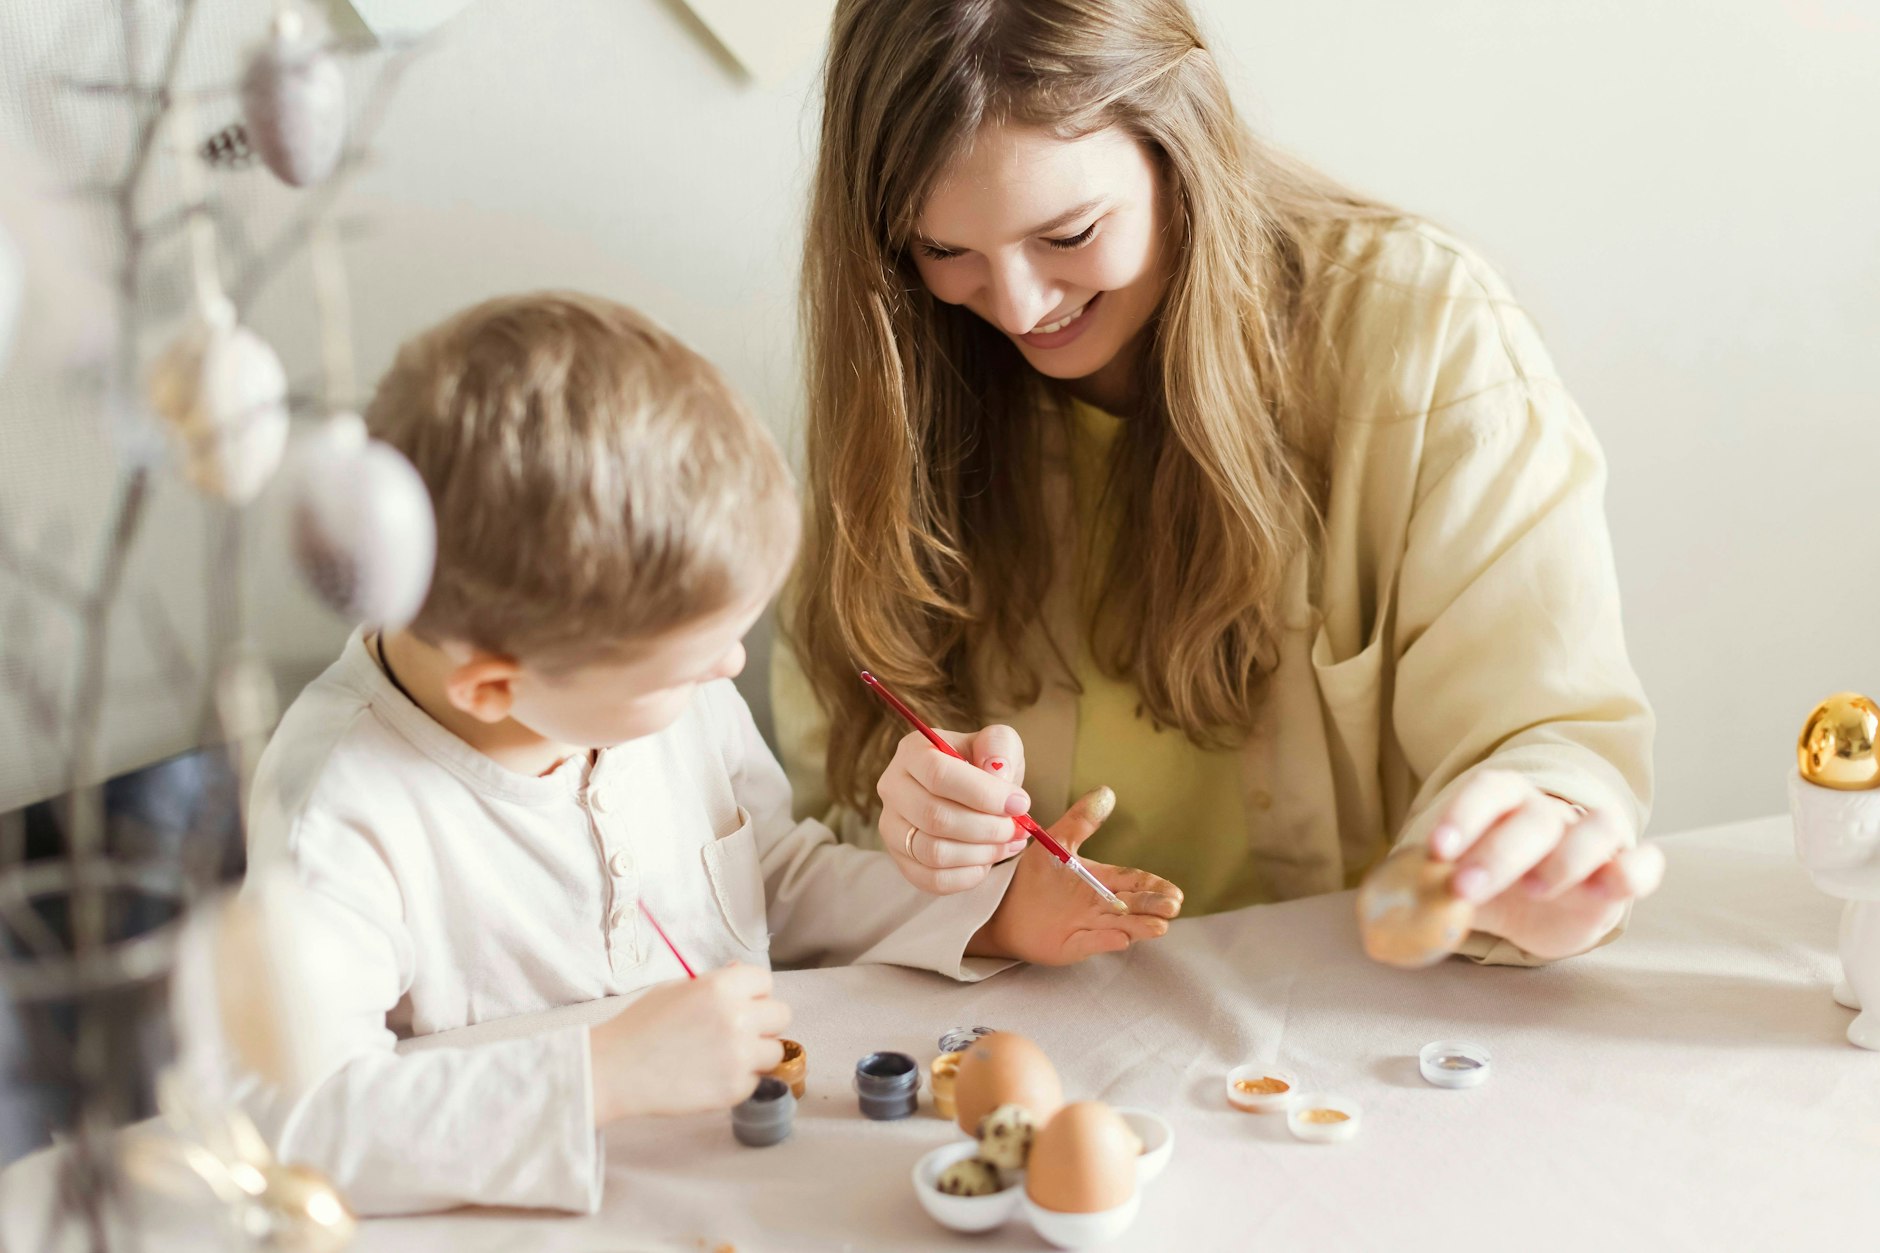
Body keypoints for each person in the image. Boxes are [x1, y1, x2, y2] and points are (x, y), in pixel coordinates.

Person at [235, 293, 1181, 1214]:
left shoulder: (667, 698)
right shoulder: (340, 806)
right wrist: (601, 1072)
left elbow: (770, 879)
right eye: (687, 666)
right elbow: (294, 1119)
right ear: (493, 686)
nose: (731, 670)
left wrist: (994, 910)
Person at [775, 0, 1662, 966]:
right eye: (945, 251)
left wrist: (1535, 842)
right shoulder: (896, 374)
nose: (1021, 307)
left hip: (1347, 1014)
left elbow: (1546, 731)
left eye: (1068, 233)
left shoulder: (1423, 334)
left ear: (1177, 146)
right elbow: (828, 830)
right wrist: (918, 843)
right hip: (1032, 1021)